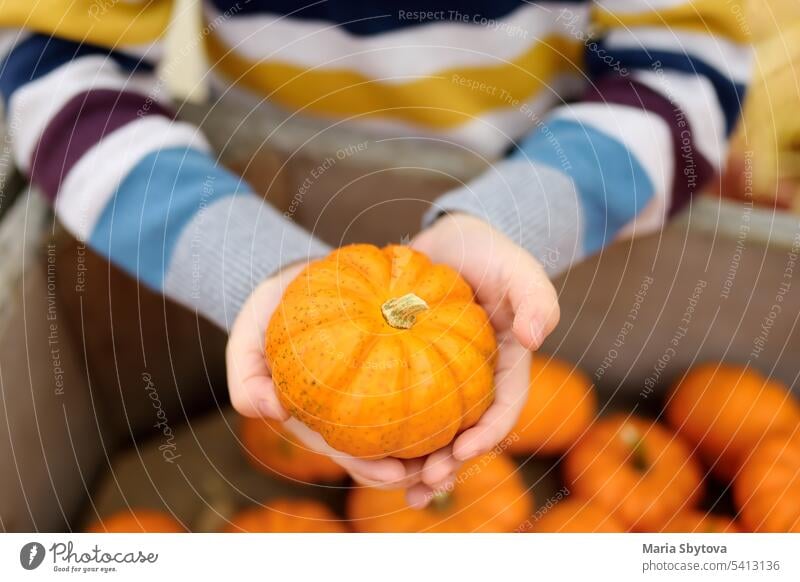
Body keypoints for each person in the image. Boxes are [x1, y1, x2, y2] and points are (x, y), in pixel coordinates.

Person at [0, 0, 751, 509]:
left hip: (553, 189)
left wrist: (520, 220)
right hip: (259, 178)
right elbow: (57, 69)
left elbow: (685, 67)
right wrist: (251, 264)